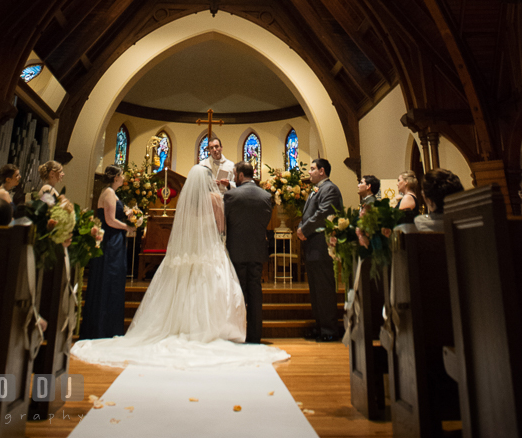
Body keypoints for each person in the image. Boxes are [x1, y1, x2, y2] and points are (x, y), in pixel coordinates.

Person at [71, 164, 289, 368]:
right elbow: (221, 227)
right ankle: (215, 330)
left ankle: (180, 327)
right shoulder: (215, 198)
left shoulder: (186, 200)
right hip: (211, 249)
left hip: (189, 249)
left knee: (183, 285)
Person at [79, 165, 136, 339]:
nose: (124, 177)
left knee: (114, 281)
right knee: (109, 279)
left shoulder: (112, 192)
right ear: (116, 177)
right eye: (122, 175)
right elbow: (110, 220)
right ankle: (103, 328)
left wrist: (132, 215)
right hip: (110, 241)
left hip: (114, 240)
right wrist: (128, 227)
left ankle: (109, 327)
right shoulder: (109, 193)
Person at [224, 161, 273, 343]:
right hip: (257, 250)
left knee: (238, 292)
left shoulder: (231, 195)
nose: (234, 177)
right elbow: (266, 220)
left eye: (235, 174)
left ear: (241, 175)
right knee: (255, 292)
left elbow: (226, 222)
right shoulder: (266, 196)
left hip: (236, 250)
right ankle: (254, 335)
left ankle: (238, 332)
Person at [297, 158, 343, 342]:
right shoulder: (318, 189)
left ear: (322, 171)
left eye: (312, 169)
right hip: (313, 245)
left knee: (324, 289)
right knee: (316, 290)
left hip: (322, 245)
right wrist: (302, 227)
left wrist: (303, 229)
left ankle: (330, 329)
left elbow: (323, 213)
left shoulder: (329, 189)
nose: (309, 172)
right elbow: (309, 213)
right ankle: (320, 326)